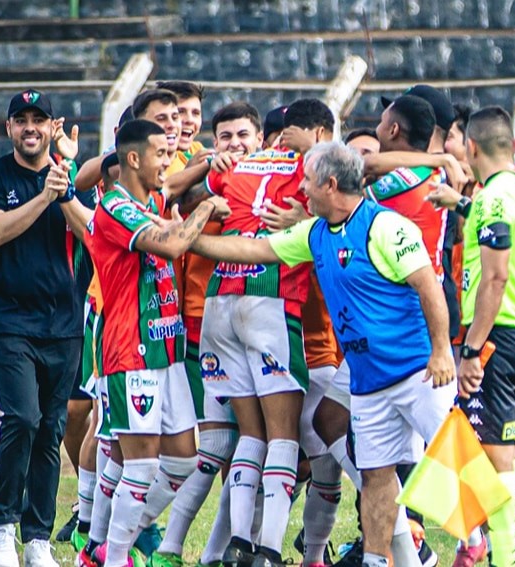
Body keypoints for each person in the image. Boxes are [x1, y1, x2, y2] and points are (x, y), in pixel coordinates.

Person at [188, 140, 455, 567]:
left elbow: (429, 287)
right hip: (368, 382)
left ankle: (499, 546)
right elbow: (254, 250)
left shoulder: (387, 227)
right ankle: (377, 560)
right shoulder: (314, 233)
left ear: (330, 184)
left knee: (453, 465)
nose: (302, 191)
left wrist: (441, 351)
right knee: (376, 476)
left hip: (416, 371)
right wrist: (188, 241)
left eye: (307, 183)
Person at [68, 119, 229, 567]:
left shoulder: (151, 200)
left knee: (181, 461)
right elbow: (175, 244)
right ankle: (110, 556)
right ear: (134, 159)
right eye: (161, 154)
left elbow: (168, 222)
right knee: (139, 468)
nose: (168, 163)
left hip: (167, 351)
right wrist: (205, 209)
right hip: (130, 351)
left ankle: (107, 545)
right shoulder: (116, 208)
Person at [199, 98, 334, 567]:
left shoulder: (233, 166)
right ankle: (271, 550)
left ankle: (238, 544)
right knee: (283, 436)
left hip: (220, 294)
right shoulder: (311, 164)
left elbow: (211, 182)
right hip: (269, 292)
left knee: (249, 434)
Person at [427, 106, 515, 567]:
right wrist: (457, 203)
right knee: (507, 449)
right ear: (514, 146)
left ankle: (511, 559)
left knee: (497, 460)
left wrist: (472, 350)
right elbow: (498, 222)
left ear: (472, 148)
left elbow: (494, 279)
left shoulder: (495, 199)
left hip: (496, 337)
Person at [150, 101, 264, 567]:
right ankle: (150, 541)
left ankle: (220, 551)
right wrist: (201, 177)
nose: (235, 145)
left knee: (248, 448)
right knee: (222, 445)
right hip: (204, 332)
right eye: (226, 137)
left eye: (243, 136)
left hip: (267, 329)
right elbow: (165, 201)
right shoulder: (199, 184)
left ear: (260, 141)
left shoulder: (270, 184)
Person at [0, 89, 82, 567]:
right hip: (7, 316)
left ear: (52, 126)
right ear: (9, 128)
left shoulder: (69, 178)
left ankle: (38, 538)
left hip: (63, 320)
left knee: (51, 428)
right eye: (22, 119)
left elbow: (94, 235)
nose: (30, 127)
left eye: (39, 119)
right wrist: (44, 197)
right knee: (22, 418)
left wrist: (68, 186)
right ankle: (3, 528)